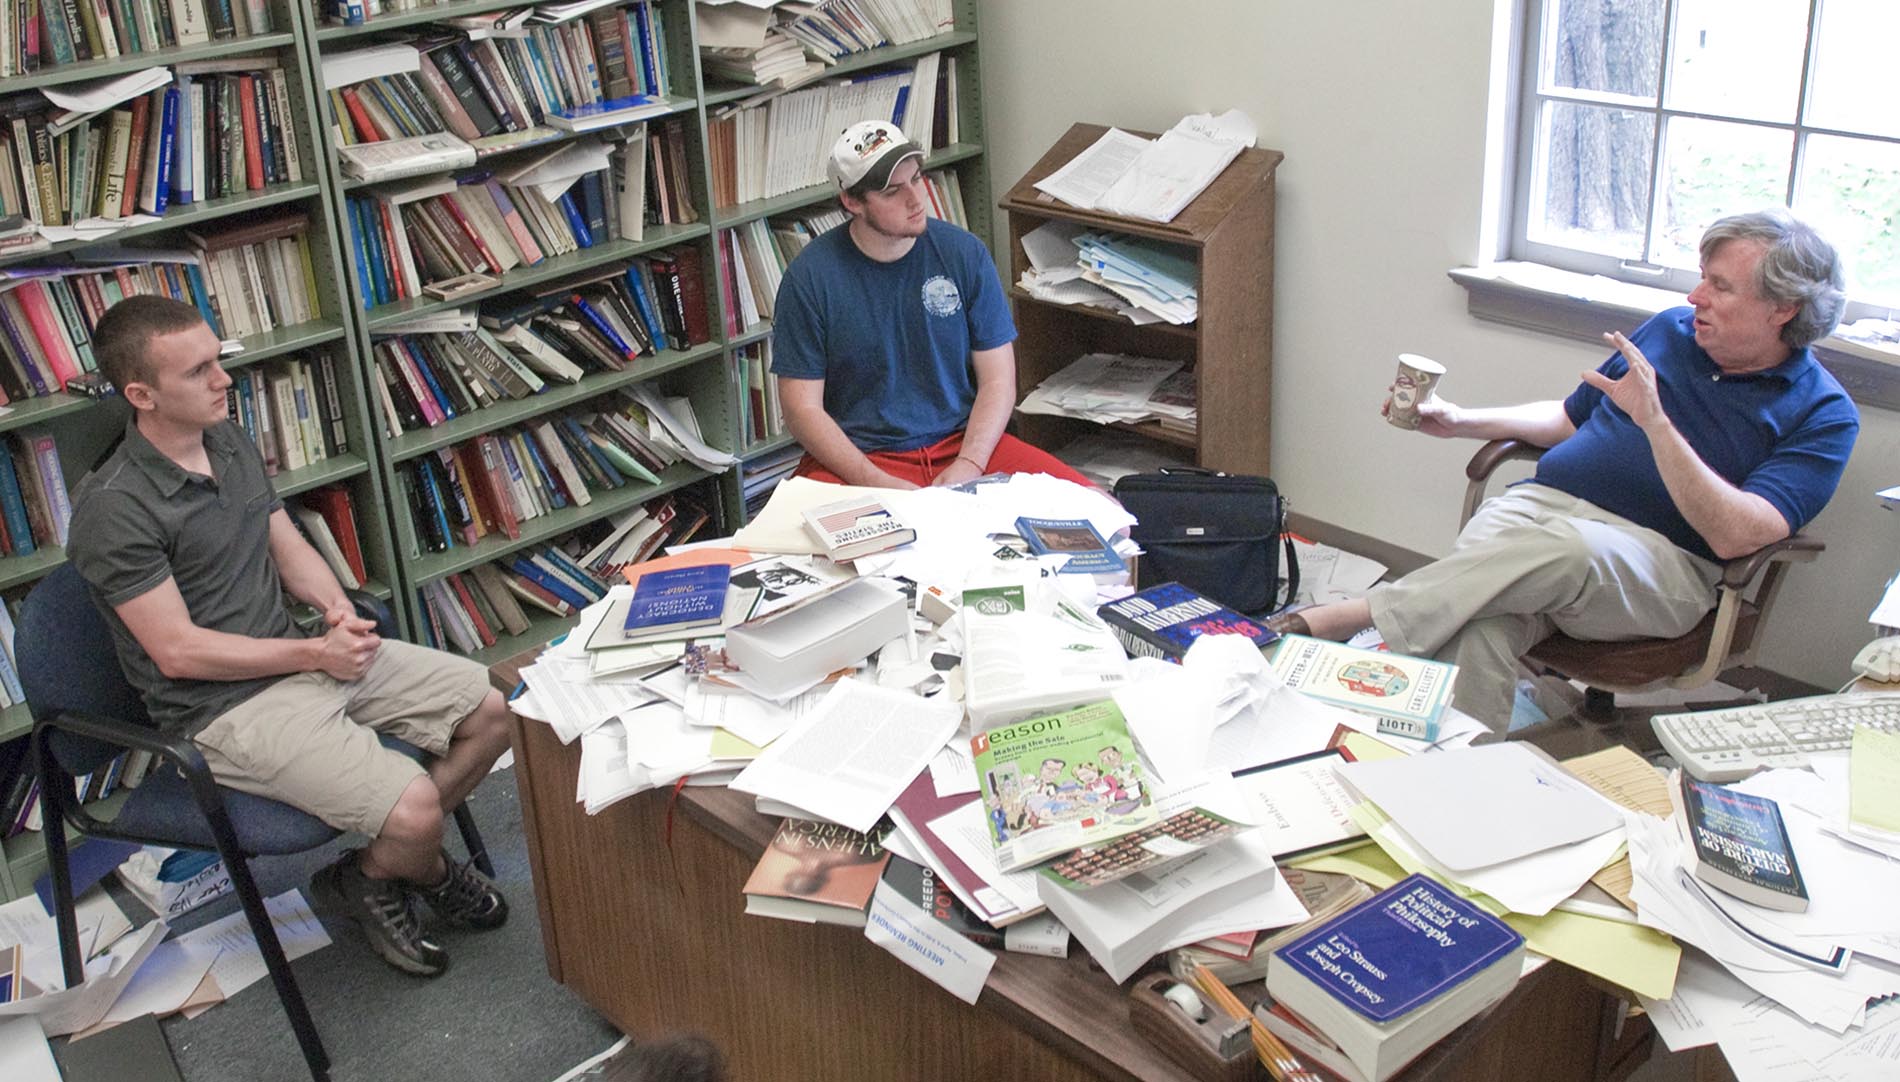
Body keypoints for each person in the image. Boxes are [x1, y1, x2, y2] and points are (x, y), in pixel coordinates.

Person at [1272, 210, 1860, 732]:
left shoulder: (1823, 412)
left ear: (1783, 308)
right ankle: (1449, 775)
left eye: (1720, 286)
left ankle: (1356, 617)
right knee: (1480, 627)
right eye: (1702, 276)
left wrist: (1657, 424)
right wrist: (1459, 421)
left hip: (1660, 568)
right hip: (1540, 518)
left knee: (1566, 550)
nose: (1695, 296)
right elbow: (1569, 418)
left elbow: (1737, 535)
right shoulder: (1669, 331)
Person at [66, 296, 516, 978]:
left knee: (494, 710)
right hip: (226, 708)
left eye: (219, 360)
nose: (224, 380)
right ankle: (423, 869)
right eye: (198, 371)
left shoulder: (225, 438)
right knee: (416, 807)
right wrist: (314, 651)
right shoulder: (114, 510)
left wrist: (335, 611)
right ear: (141, 395)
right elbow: (177, 652)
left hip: (304, 659)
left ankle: (370, 874)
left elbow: (285, 544)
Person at [771, 119, 1094, 490]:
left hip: (963, 444)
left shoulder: (964, 253)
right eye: (893, 191)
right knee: (798, 525)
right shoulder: (809, 278)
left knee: (1102, 508)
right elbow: (802, 408)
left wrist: (970, 462)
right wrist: (872, 479)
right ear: (852, 202)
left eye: (916, 178)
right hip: (862, 457)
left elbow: (999, 380)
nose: (916, 199)